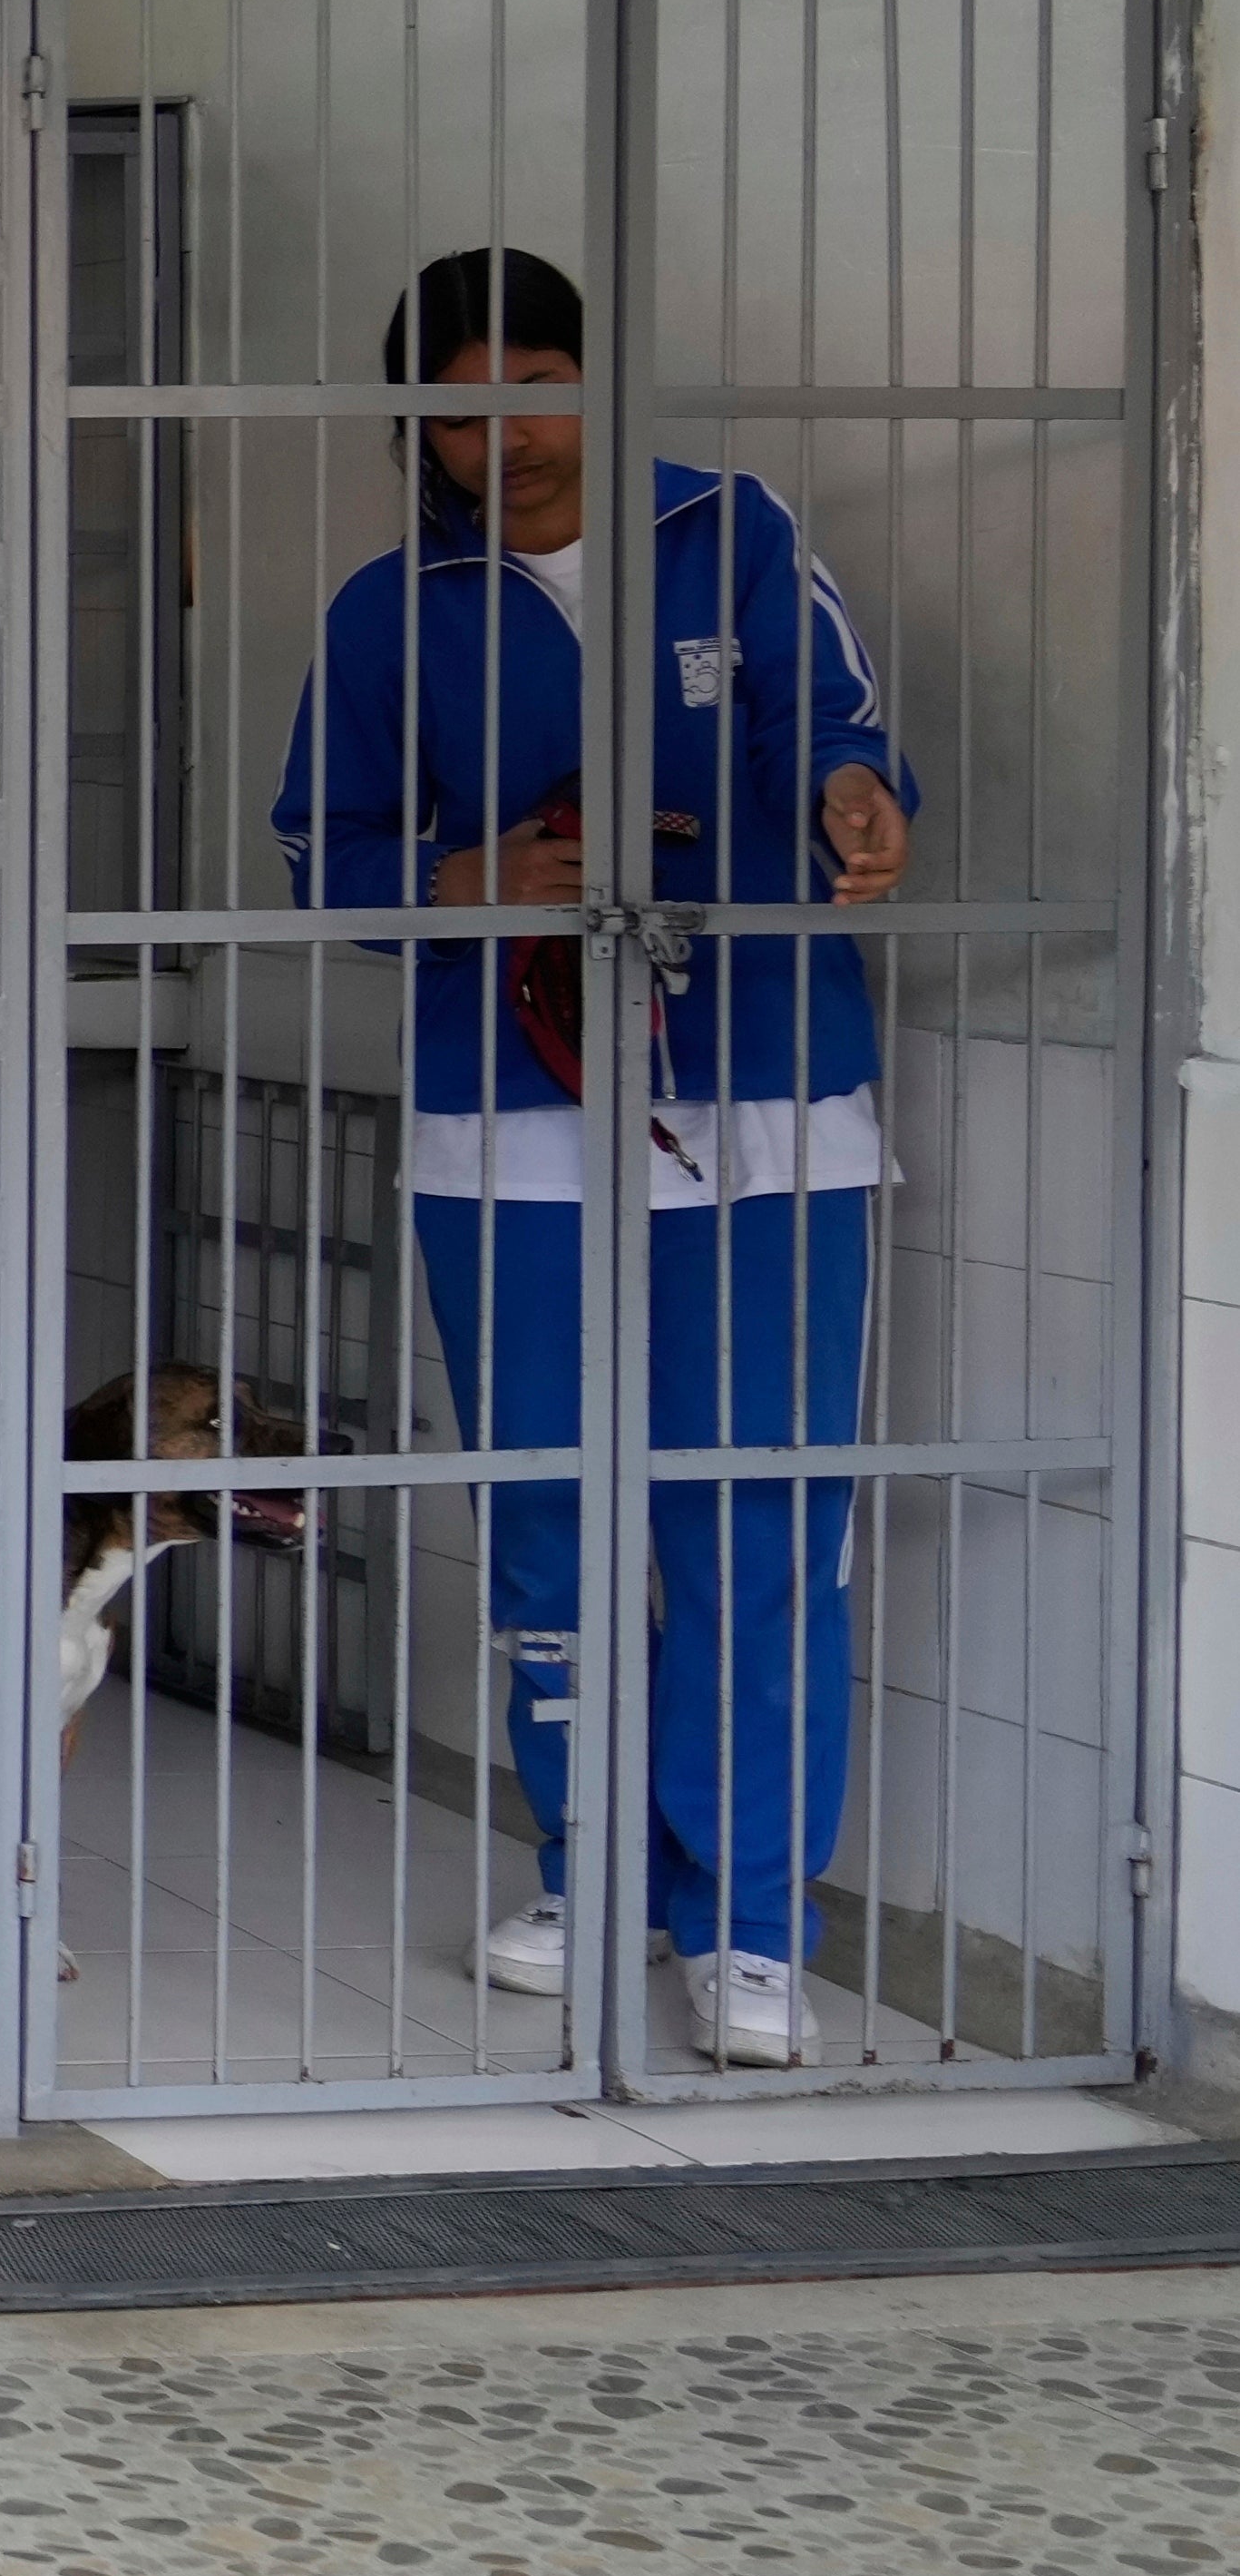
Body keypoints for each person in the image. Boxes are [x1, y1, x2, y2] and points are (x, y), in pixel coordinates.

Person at [273, 246, 913, 2069]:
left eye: (538, 380)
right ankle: (590, 1865)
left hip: (769, 1089)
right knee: (548, 1508)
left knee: (761, 1506)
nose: (510, 432)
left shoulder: (731, 527)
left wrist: (862, 807)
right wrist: (466, 882)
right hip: (512, 1107)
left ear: (594, 379)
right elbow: (325, 851)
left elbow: (839, 734)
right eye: (463, 405)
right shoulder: (389, 610)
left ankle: (751, 1922)